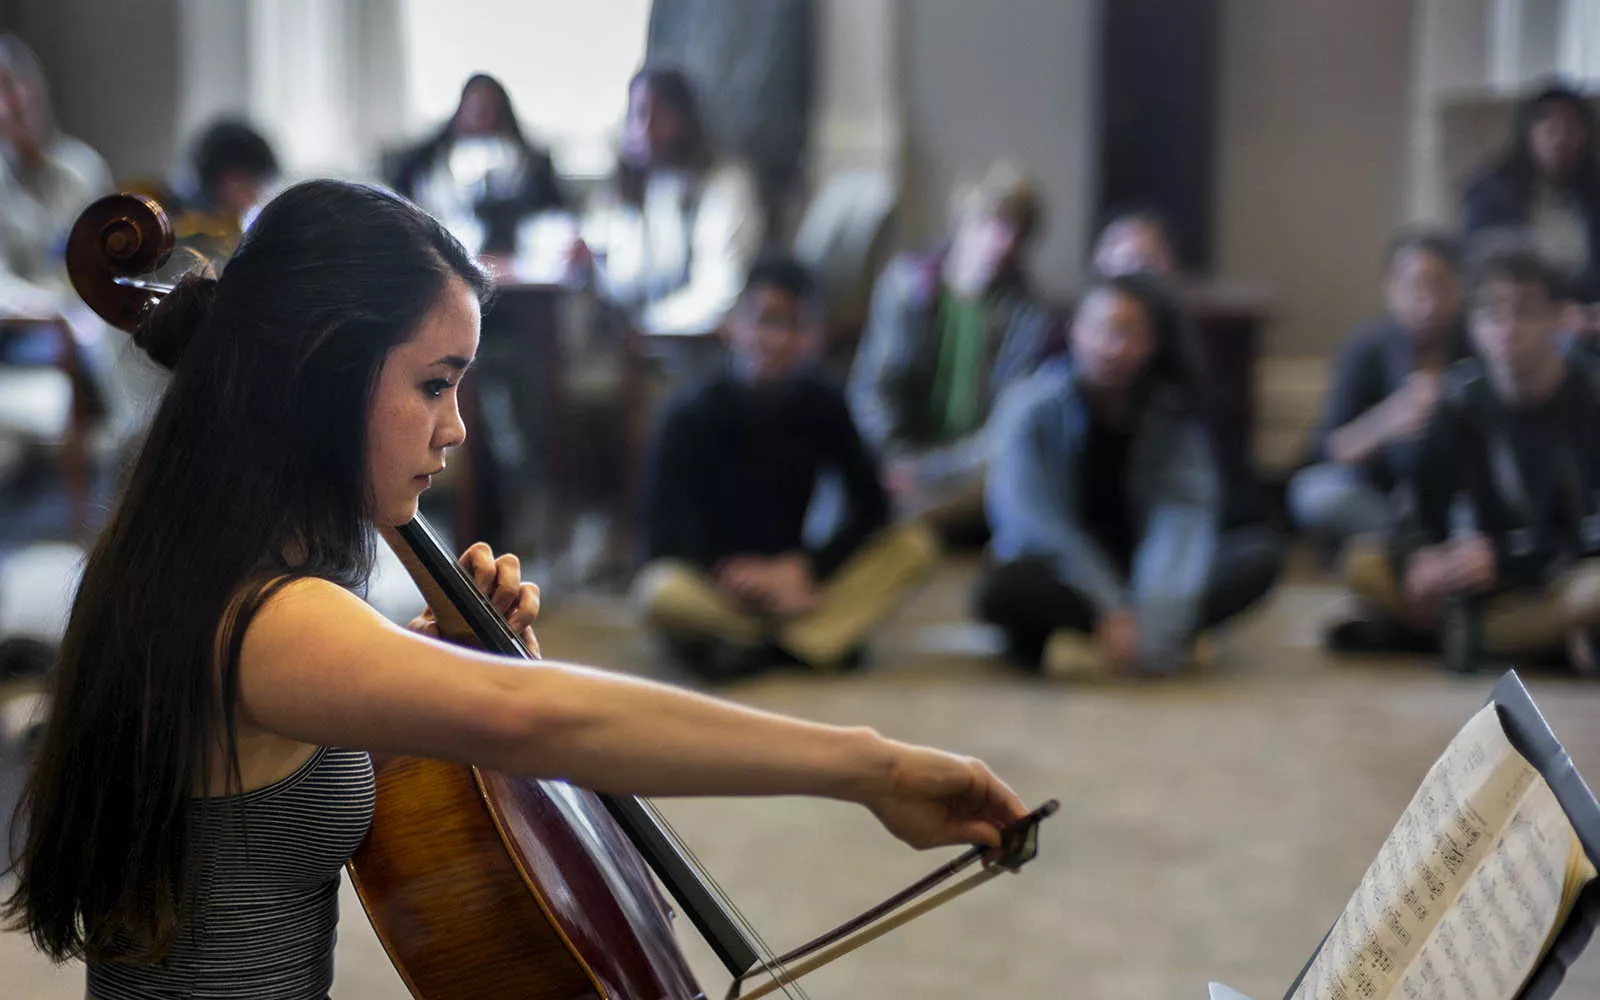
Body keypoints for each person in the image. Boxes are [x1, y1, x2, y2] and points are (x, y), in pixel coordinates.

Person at [1, 181, 1027, 998]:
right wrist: (870, 767)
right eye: (434, 382)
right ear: (322, 370)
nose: (455, 429)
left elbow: (410, 728)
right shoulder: (265, 618)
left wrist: (436, 650)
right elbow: (531, 720)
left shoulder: (207, 569)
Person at [633, 256, 937, 679]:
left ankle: (761, 649)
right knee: (659, 592)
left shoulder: (824, 402)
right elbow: (661, 534)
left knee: (913, 547)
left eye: (793, 326)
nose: (776, 339)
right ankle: (809, 644)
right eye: (765, 321)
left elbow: (872, 507)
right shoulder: (687, 412)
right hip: (718, 586)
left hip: (796, 584)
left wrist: (807, 568)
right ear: (734, 325)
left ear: (813, 338)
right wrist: (736, 576)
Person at [975, 273, 1282, 678]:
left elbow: (1180, 525)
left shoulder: (1173, 418)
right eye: (1101, 329)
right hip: (1070, 575)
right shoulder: (1031, 408)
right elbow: (1033, 523)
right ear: (1075, 332)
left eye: (1127, 332)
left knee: (1258, 556)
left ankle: (1100, 647)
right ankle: (1160, 639)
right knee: (1003, 588)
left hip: (1148, 578)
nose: (1111, 347)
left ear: (1151, 343)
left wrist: (1150, 620)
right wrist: (1112, 605)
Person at [1344, 247, 1600, 671]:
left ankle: (1460, 636)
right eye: (1492, 314)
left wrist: (1507, 559)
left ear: (1559, 318)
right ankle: (1522, 642)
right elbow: (1419, 510)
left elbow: (1589, 533)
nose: (1507, 329)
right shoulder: (1459, 399)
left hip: (1556, 575)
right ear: (1473, 325)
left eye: (1525, 312)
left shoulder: (1590, 397)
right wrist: (1422, 558)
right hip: (1478, 583)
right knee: (1361, 563)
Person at [846, 162, 1057, 546]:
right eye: (992, 225)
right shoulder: (907, 285)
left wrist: (931, 471)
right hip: (896, 461)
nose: (1002, 242)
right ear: (964, 224)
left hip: (971, 472)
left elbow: (1009, 422)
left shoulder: (1029, 313)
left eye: (1016, 232)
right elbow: (874, 390)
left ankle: (910, 523)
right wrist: (897, 459)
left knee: (1011, 477)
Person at [1289, 229, 1469, 581]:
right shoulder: (1366, 348)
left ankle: (1422, 561)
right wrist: (1390, 420)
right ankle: (1418, 553)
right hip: (1380, 502)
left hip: (1457, 498)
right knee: (1315, 494)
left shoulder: (1475, 345)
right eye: (1417, 286)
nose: (1428, 301)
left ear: (1459, 288)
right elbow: (1330, 449)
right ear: (1391, 288)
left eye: (1440, 285)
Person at [574, 65, 763, 337]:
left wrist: (648, 325)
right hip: (646, 335)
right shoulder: (644, 186)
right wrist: (594, 264)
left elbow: (719, 294)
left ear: (687, 119)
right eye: (638, 116)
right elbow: (630, 281)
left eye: (659, 116)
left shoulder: (725, 185)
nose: (646, 130)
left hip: (700, 341)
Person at [1462, 82, 1600, 331]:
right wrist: (1550, 313)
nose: (1559, 137)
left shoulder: (1593, 193)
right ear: (1528, 132)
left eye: (1571, 126)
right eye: (1549, 126)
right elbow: (1479, 266)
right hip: (1514, 314)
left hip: (1588, 319)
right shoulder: (1491, 190)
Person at [389, 73, 565, 255]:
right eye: (477, 109)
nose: (484, 117)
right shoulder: (426, 162)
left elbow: (552, 214)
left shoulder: (531, 165)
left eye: (491, 110)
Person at [0, 34, 112, 317]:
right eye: (3, 92)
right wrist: (52, 314)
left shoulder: (84, 168)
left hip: (86, 322)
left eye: (20, 85)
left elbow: (105, 268)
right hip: (24, 329)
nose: (16, 103)